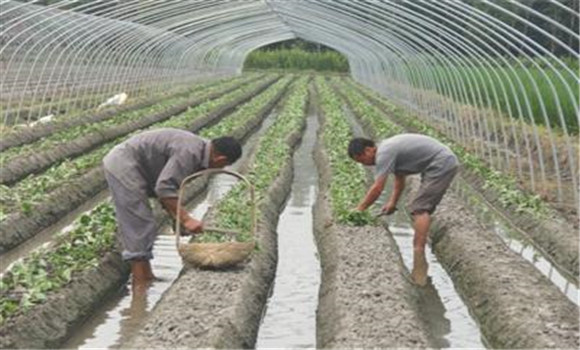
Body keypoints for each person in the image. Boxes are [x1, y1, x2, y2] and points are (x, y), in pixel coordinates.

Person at [103, 128, 242, 284]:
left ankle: (147, 276)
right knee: (139, 222)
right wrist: (186, 219)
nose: (221, 169)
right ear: (220, 158)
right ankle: (140, 284)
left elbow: (170, 189)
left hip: (141, 167)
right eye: (223, 165)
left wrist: (176, 219)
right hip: (124, 164)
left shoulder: (200, 151)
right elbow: (164, 188)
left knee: (143, 222)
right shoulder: (190, 152)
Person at [348, 134, 458, 286]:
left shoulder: (384, 153)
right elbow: (400, 179)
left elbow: (378, 187)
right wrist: (392, 202)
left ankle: (419, 256)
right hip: (438, 162)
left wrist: (359, 209)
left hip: (441, 163)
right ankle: (419, 253)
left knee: (420, 208)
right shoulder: (388, 151)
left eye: (362, 160)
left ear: (368, 150)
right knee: (420, 206)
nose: (365, 165)